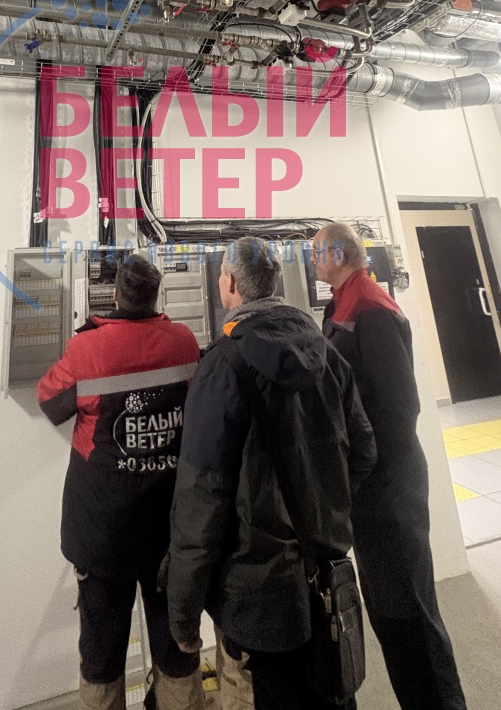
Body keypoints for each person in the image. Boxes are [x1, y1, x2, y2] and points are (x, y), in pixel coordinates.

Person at [166, 237, 377, 710]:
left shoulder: (221, 368)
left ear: (230, 284)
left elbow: (201, 499)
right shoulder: (328, 355)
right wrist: (324, 513)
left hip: (256, 597)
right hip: (325, 576)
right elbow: (364, 452)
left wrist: (182, 612)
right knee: (330, 693)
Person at [312, 222, 468, 710]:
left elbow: (400, 409)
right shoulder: (341, 305)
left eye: (317, 252)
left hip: (389, 490)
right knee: (387, 614)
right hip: (368, 490)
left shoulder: (371, 309)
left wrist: (362, 473)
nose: (312, 259)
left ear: (339, 254)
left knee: (411, 615)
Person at [37, 253, 204, 710]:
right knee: (176, 647)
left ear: (114, 295)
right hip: (169, 528)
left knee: (102, 656)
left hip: (102, 533)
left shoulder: (87, 349)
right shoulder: (184, 342)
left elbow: (50, 401)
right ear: (156, 296)